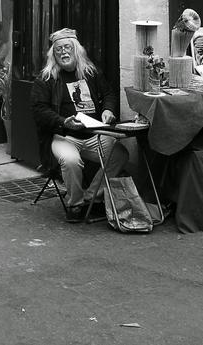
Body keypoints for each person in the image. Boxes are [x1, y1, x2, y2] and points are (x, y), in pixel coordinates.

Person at [30, 28, 129, 223]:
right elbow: (39, 110)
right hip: (64, 136)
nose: (63, 53)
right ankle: (75, 204)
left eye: (67, 47)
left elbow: (109, 94)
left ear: (77, 50)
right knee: (71, 161)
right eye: (58, 50)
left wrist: (108, 110)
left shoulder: (90, 72)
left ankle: (91, 197)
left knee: (119, 155)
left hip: (95, 134)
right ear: (53, 54)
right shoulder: (46, 79)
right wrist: (62, 121)